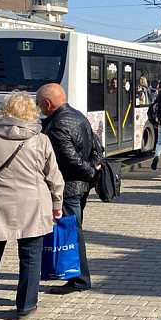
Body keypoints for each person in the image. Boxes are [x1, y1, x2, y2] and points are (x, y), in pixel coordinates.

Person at [0, 91, 64, 320]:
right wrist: (56, 203)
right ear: (31, 112)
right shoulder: (41, 140)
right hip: (34, 206)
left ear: (4, 110)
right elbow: (55, 178)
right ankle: (26, 306)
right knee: (30, 256)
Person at [36, 83, 99, 295]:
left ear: (47, 103)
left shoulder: (57, 125)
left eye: (39, 105)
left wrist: (91, 173)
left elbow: (69, 159)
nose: (39, 109)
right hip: (80, 187)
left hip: (69, 188)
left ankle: (79, 279)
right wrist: (92, 173)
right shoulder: (77, 115)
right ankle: (74, 275)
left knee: (72, 235)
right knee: (73, 232)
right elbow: (97, 146)